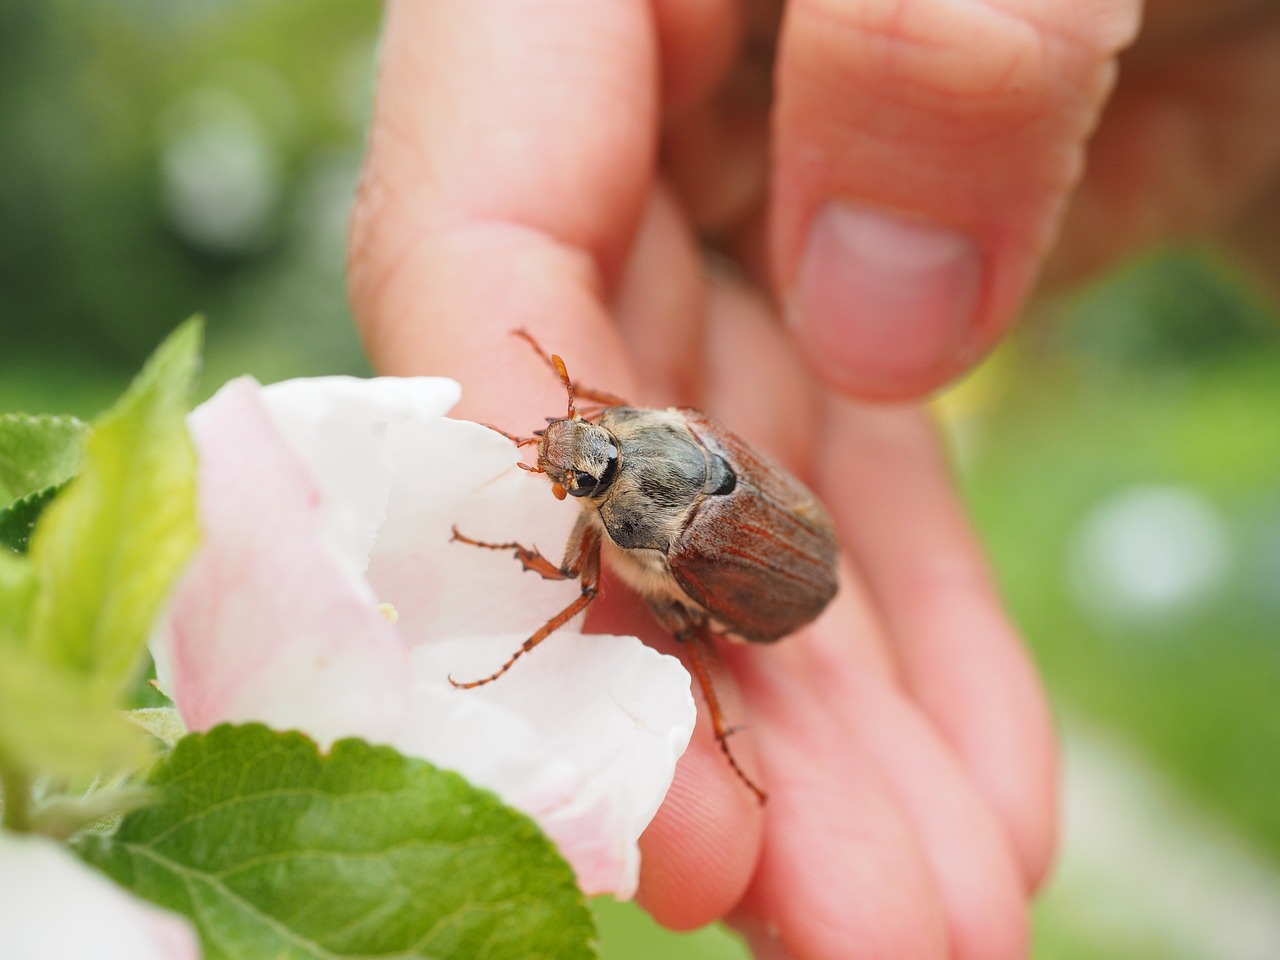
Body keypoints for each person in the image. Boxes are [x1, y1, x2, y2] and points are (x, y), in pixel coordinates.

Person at [345, 3, 1280, 957]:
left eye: (586, 460)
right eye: (589, 452)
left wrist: (506, 566)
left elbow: (573, 580)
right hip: (788, 539)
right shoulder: (672, 435)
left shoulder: (652, 517)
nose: (580, 454)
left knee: (681, 641)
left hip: (772, 587)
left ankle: (724, 744)